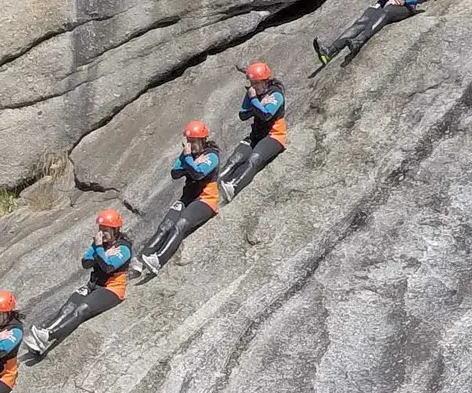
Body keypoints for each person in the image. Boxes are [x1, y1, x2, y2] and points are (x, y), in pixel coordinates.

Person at [28, 211, 132, 359]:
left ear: (115, 230)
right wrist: (99, 250)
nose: (102, 233)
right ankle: (43, 334)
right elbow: (86, 262)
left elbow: (108, 267)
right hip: (92, 285)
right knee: (68, 307)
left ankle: (49, 336)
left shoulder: (124, 248)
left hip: (112, 289)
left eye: (106, 230)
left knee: (81, 310)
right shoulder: (98, 244)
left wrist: (100, 250)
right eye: (100, 228)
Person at [138, 122, 222, 276]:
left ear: (202, 140)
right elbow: (175, 173)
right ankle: (141, 259)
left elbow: (199, 174)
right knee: (165, 225)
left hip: (205, 200)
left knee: (180, 224)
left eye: (193, 141)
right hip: (188, 198)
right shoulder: (188, 154)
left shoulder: (212, 155)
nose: (190, 144)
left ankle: (158, 259)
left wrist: (189, 159)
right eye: (188, 141)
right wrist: (189, 161)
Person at [217, 63, 286, 203]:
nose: (254, 86)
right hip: (256, 135)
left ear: (265, 81)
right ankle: (216, 183)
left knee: (253, 159)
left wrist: (255, 101)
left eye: (256, 83)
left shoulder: (276, 94)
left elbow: (266, 115)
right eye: (251, 83)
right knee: (234, 159)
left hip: (274, 136)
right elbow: (243, 115)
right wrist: (255, 101)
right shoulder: (252, 93)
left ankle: (233, 186)